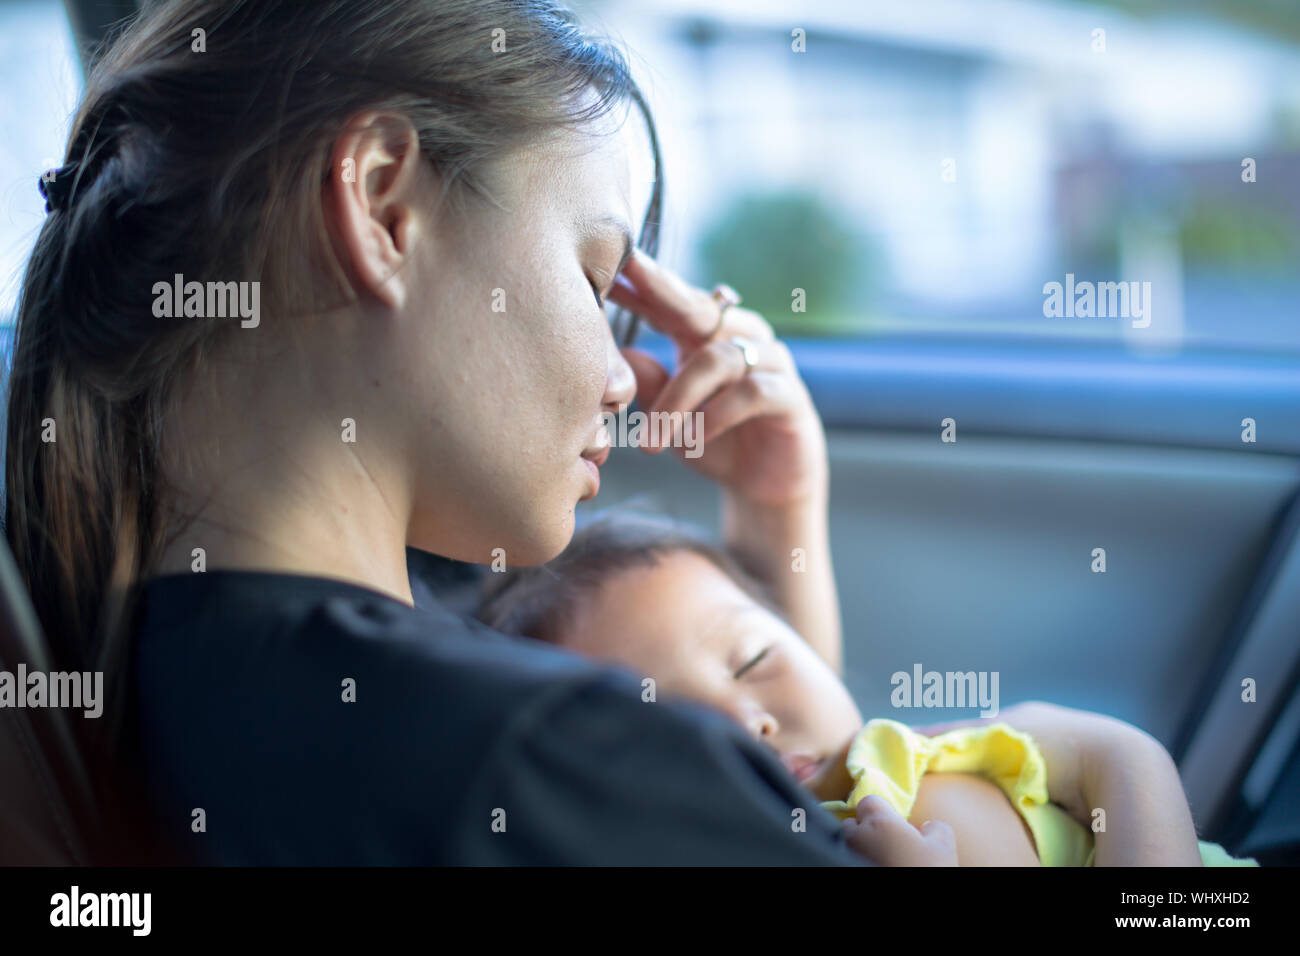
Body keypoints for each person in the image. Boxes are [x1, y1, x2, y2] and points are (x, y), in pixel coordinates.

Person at [3, 0, 907, 865]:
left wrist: (772, 510)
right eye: (594, 282)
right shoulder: (546, 758)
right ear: (384, 206)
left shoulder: (180, 669)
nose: (625, 378)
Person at [477, 510, 1259, 866]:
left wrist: (1126, 759)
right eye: (664, 723)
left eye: (752, 661)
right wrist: (1126, 758)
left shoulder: (915, 777)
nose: (745, 724)